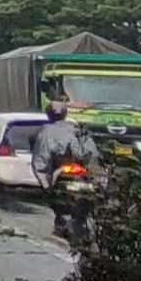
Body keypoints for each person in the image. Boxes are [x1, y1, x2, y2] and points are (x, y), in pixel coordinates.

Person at [30, 88, 101, 236]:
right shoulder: (75, 130)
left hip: (72, 177)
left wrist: (46, 185)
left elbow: (40, 163)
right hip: (69, 176)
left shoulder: (47, 133)